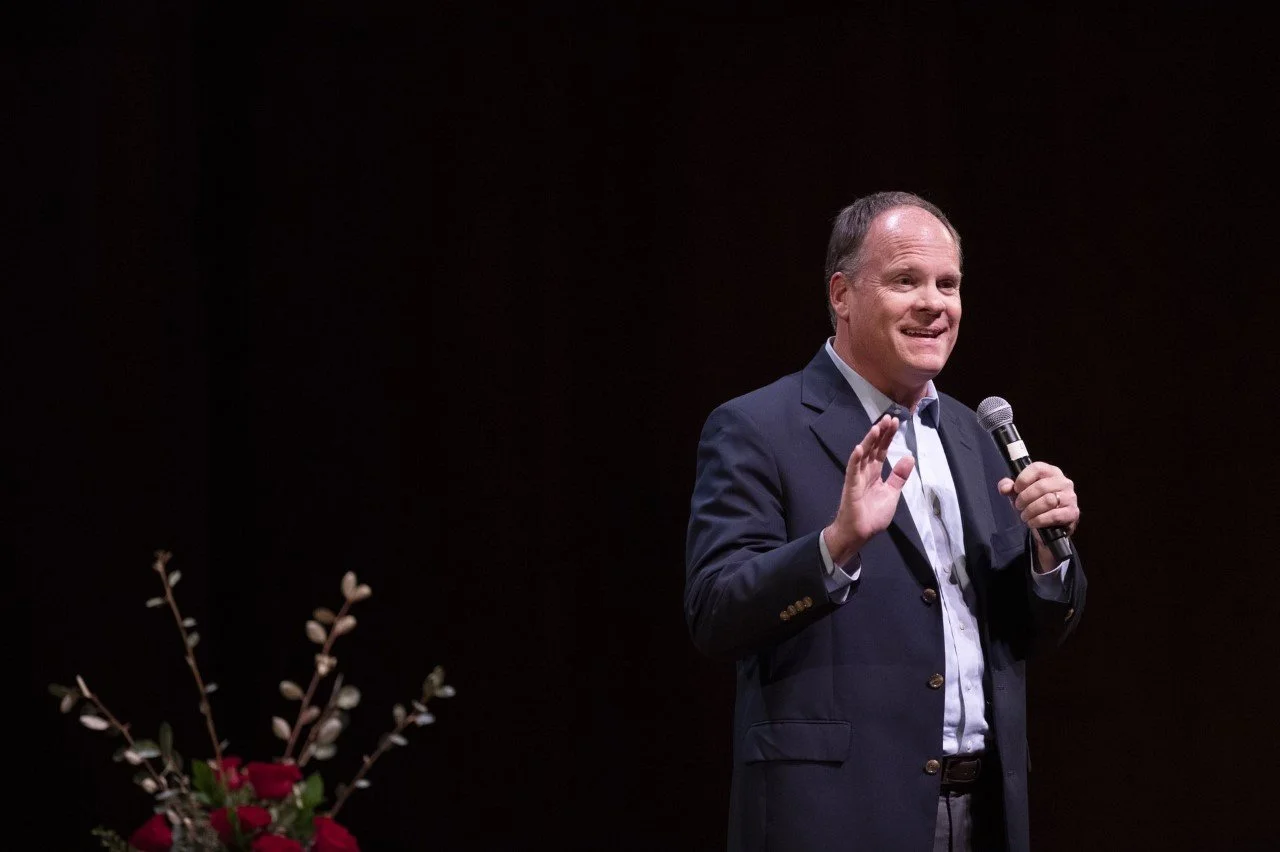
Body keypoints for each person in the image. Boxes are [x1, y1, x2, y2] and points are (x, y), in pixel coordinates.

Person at [684, 191, 1086, 852]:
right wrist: (835, 546)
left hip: (986, 809)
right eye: (907, 281)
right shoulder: (757, 428)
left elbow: (1023, 633)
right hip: (837, 815)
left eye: (948, 284)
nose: (935, 303)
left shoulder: (973, 433)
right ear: (841, 295)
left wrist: (1050, 555)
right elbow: (714, 612)